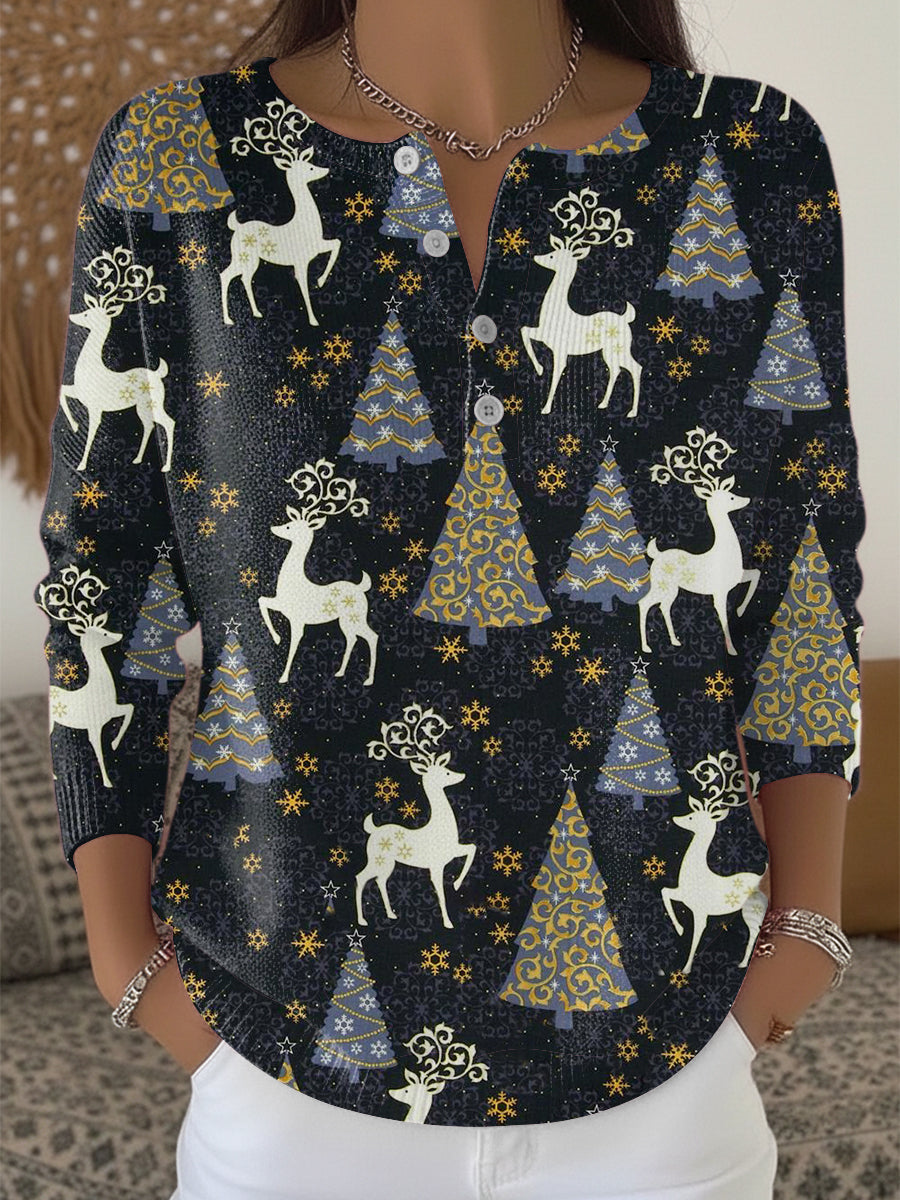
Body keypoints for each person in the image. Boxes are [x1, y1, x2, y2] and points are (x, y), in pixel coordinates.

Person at [32, 0, 865, 1196]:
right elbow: (104, 573)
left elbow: (804, 564)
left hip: (671, 1080)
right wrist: (131, 964)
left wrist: (805, 936)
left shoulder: (752, 152)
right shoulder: (181, 155)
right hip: (279, 1076)